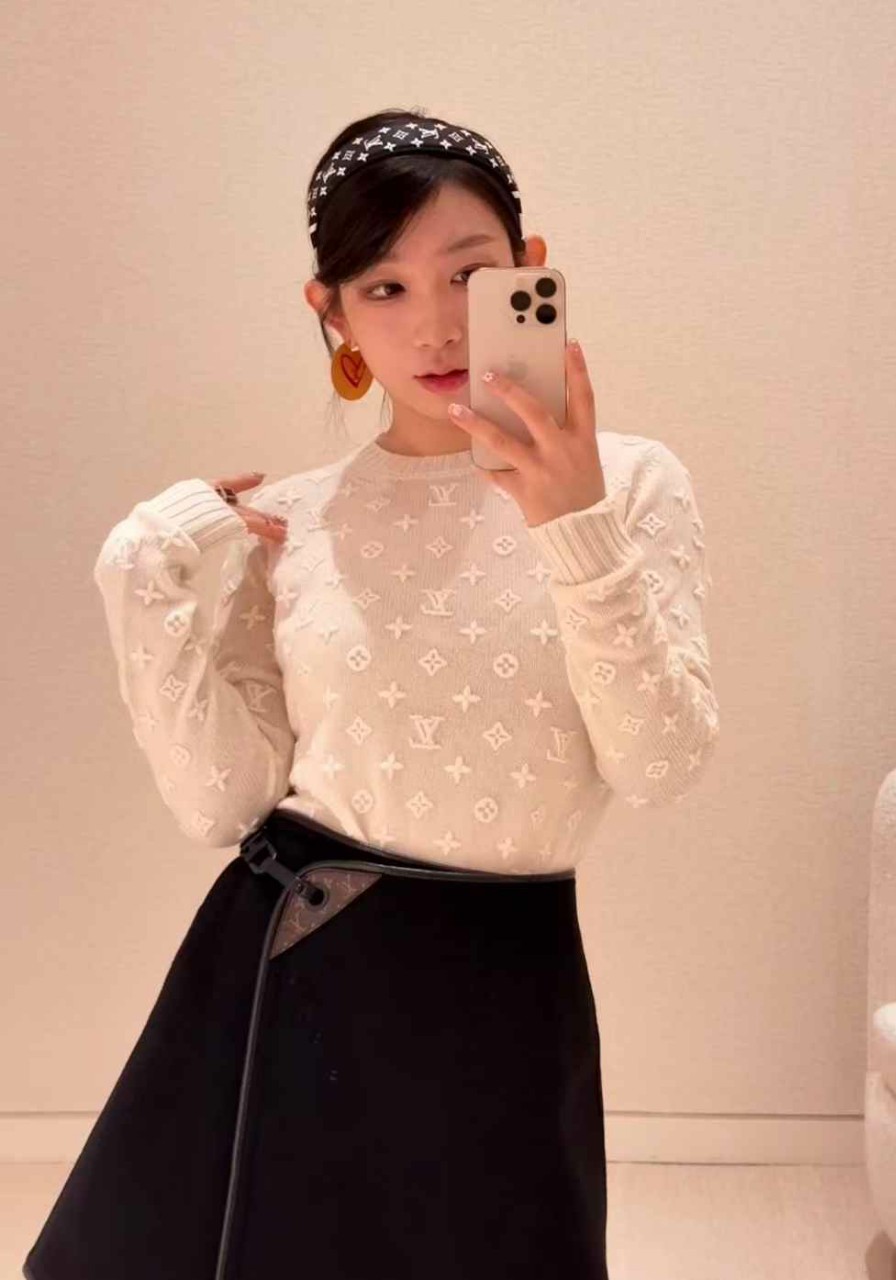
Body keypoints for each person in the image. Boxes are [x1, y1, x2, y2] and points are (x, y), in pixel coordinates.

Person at [24, 107, 719, 1280]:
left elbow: (659, 762)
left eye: (469, 274)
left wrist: (570, 522)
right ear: (332, 313)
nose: (435, 321)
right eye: (384, 288)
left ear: (530, 269)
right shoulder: (293, 520)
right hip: (299, 968)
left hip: (510, 982)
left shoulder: (630, 484)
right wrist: (140, 571)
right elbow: (224, 801)